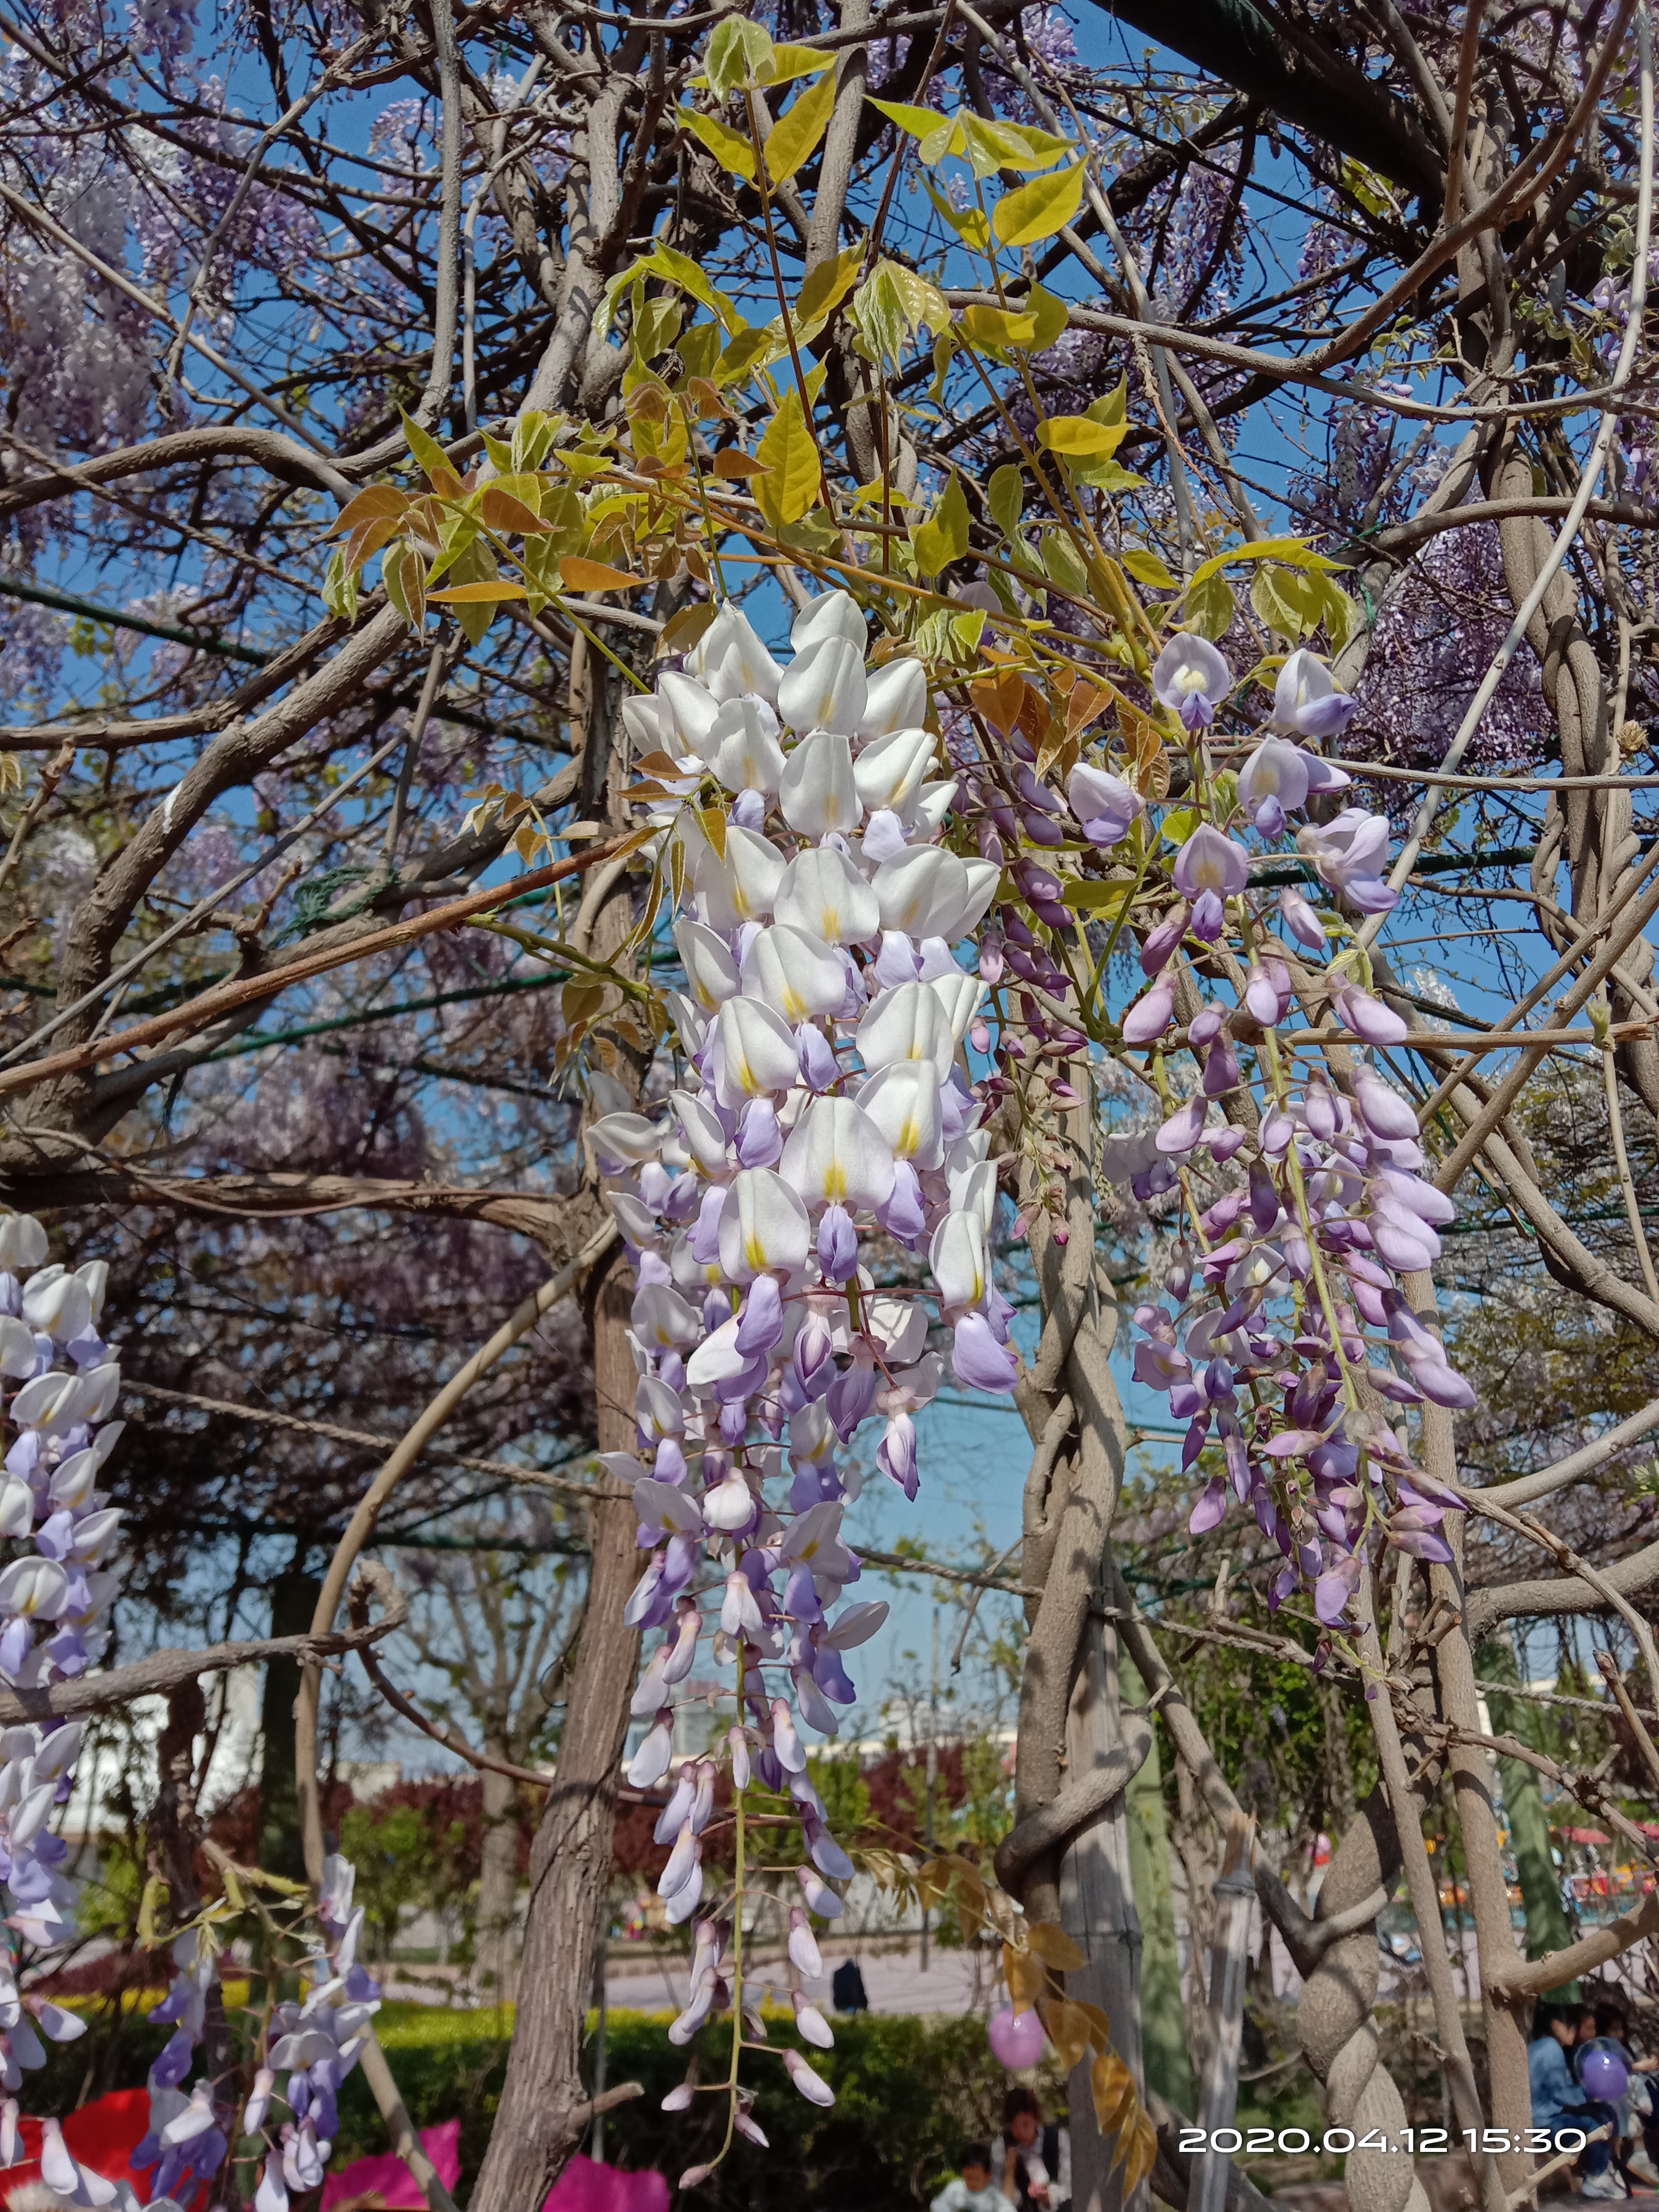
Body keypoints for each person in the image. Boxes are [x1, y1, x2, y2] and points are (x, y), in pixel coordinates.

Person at [1530, 2001, 1620, 2198]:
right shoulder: (1552, 2050)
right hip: (1544, 2125)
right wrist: (1590, 2094)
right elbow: (1560, 2093)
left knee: (1597, 2113)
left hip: (1539, 2119)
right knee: (1598, 2122)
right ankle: (1597, 2177)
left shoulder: (1538, 2047)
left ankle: (1602, 2171)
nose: (1573, 2030)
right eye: (1569, 2025)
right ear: (1556, 2025)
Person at [991, 2087, 1071, 2211]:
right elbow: (1002, 2202)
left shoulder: (1058, 2138)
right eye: (1015, 2127)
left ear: (1036, 2118)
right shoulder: (1001, 2148)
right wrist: (1010, 2169)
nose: (1022, 2133)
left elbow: (1070, 2187)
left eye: (1026, 2125)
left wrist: (1048, 2196)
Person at [931, 2144, 1004, 2212]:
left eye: (977, 2179)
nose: (973, 2183)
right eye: (969, 2178)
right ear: (963, 2174)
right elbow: (937, 2206)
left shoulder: (994, 2196)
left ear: (988, 2176)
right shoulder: (955, 2189)